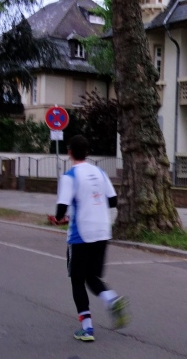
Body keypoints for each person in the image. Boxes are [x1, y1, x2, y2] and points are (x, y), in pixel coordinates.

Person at [54, 135, 130, 342]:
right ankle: (112, 299)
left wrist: (59, 218)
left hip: (81, 234)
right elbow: (113, 201)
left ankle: (87, 329)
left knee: (77, 280)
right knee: (92, 277)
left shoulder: (69, 176)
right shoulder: (100, 172)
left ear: (70, 152)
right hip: (102, 231)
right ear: (87, 153)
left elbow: (61, 210)